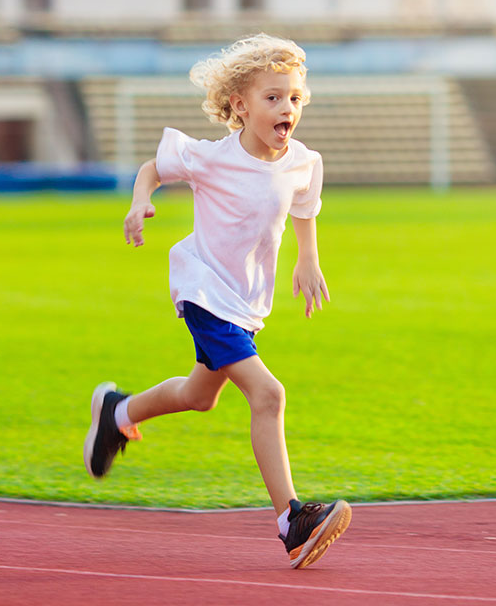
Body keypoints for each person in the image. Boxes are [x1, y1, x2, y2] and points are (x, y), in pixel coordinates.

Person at [84, 34, 351, 569]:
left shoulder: (302, 161)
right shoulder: (212, 158)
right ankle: (292, 520)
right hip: (205, 290)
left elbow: (305, 204)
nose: (287, 108)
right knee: (268, 394)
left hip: (245, 300)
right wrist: (141, 202)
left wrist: (308, 258)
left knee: (200, 394)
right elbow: (152, 169)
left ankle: (119, 412)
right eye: (273, 98)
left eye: (294, 98)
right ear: (239, 105)